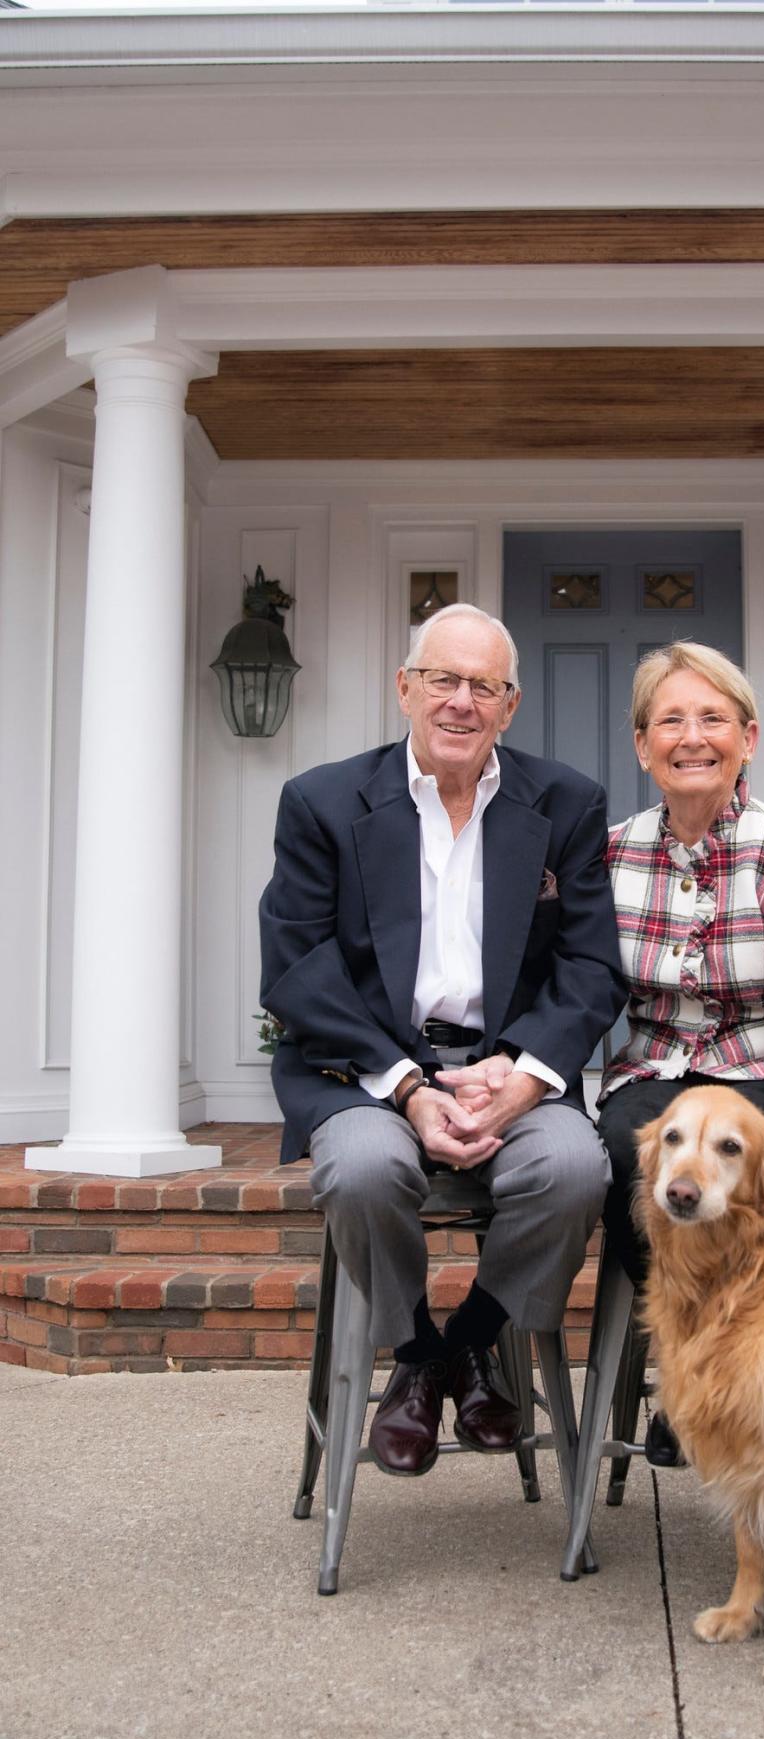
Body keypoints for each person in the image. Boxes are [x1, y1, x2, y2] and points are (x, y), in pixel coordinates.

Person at [259, 605, 625, 1477]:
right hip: (367, 1069)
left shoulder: (566, 803)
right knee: (360, 1169)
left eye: (483, 686)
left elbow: (590, 965)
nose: (461, 702)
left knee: (576, 1169)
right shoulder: (321, 801)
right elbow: (296, 968)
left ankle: (465, 1342)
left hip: (509, 1067)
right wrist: (409, 1086)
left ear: (511, 704)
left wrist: (528, 1076)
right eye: (443, 680)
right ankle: (421, 1352)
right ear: (405, 689)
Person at [596, 641, 764, 1463]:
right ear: (643, 745)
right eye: (670, 719)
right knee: (618, 1153)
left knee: (754, 1178)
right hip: (660, 1075)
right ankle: (692, 1372)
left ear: (747, 737)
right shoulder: (609, 852)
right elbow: (576, 985)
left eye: (713, 718)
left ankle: (734, 1377)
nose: (692, 736)